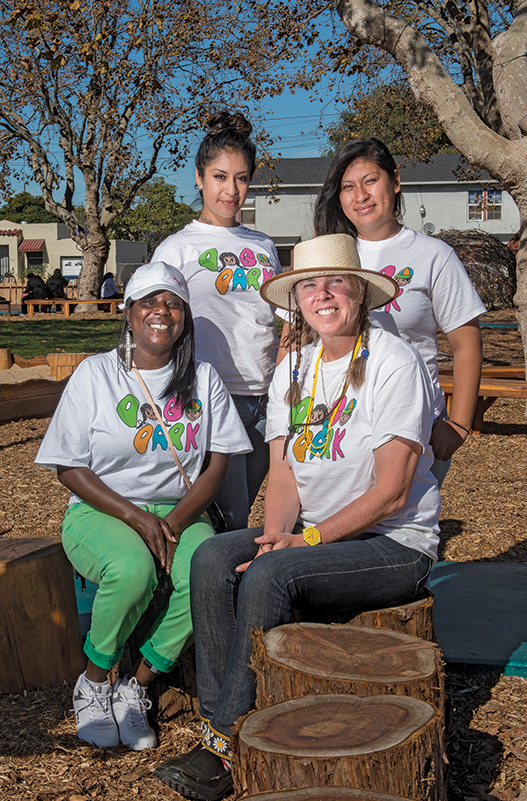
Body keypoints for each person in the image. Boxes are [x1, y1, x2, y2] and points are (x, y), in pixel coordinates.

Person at [154, 234, 441, 801]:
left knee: (270, 574)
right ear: (297, 301)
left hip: (394, 543)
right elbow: (283, 475)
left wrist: (303, 542)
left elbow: (392, 491)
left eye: (336, 282)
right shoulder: (296, 368)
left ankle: (227, 744)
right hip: (316, 535)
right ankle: (220, 724)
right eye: (309, 284)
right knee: (213, 555)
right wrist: (278, 533)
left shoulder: (393, 361)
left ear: (361, 294)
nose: (323, 294)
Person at [35, 261, 252, 751]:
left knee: (211, 572)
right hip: (103, 510)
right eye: (149, 302)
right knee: (132, 569)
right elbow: (68, 467)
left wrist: (171, 523)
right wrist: (137, 518)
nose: (162, 312)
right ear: (129, 313)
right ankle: (93, 682)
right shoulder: (95, 374)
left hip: (181, 509)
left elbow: (216, 466)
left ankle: (137, 684)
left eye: (173, 304)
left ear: (185, 318)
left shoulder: (203, 376)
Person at [312, 139, 486, 486]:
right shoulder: (328, 254)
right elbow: (296, 339)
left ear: (395, 181)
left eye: (370, 180)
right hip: (339, 423)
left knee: (402, 533)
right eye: (348, 186)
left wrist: (459, 424)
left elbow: (467, 345)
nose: (360, 195)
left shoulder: (433, 255)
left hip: (416, 424)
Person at [152, 110, 282, 530]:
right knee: (230, 517)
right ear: (198, 177)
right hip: (210, 396)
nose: (231, 190)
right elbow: (154, 322)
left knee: (247, 509)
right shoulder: (176, 249)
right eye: (220, 177)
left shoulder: (263, 244)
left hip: (267, 395)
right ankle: (216, 592)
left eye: (241, 178)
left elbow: (281, 315)